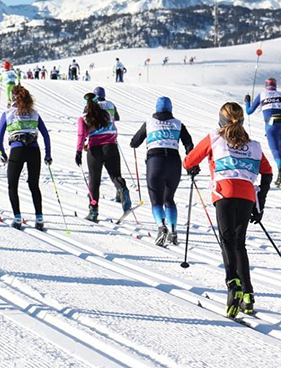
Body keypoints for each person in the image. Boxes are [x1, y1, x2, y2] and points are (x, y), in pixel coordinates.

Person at [183, 102, 272, 317]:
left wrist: (192, 166)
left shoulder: (214, 137)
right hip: (247, 196)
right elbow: (267, 173)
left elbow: (188, 160)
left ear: (221, 120)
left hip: (224, 193)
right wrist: (260, 201)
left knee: (227, 241)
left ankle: (233, 285)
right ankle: (248, 294)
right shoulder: (253, 144)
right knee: (239, 244)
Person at [129, 96, 194, 246]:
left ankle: (161, 227)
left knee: (156, 200)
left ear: (156, 108)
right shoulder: (178, 124)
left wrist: (135, 142)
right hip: (173, 162)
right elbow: (189, 144)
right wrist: (190, 163)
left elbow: (135, 142)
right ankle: (173, 232)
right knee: (169, 199)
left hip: (155, 162)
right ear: (171, 109)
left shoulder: (149, 123)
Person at [0, 85, 51, 230]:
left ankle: (17, 218)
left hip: (17, 150)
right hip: (34, 150)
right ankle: (39, 219)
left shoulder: (7, 114)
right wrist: (48, 154)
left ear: (12, 98)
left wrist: (2, 153)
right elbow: (46, 135)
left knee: (12, 184)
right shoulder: (34, 113)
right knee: (34, 185)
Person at [76, 92, 132, 221]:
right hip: (111, 147)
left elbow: (81, 135)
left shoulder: (83, 117)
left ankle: (93, 211)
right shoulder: (107, 113)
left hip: (94, 150)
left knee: (94, 181)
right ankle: (122, 189)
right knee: (115, 175)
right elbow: (114, 125)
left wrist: (78, 151)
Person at [246, 78, 281, 186]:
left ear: (266, 85)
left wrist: (247, 101)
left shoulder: (262, 94)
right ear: (275, 85)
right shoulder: (279, 94)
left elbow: (249, 111)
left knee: (276, 150)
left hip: (271, 125)